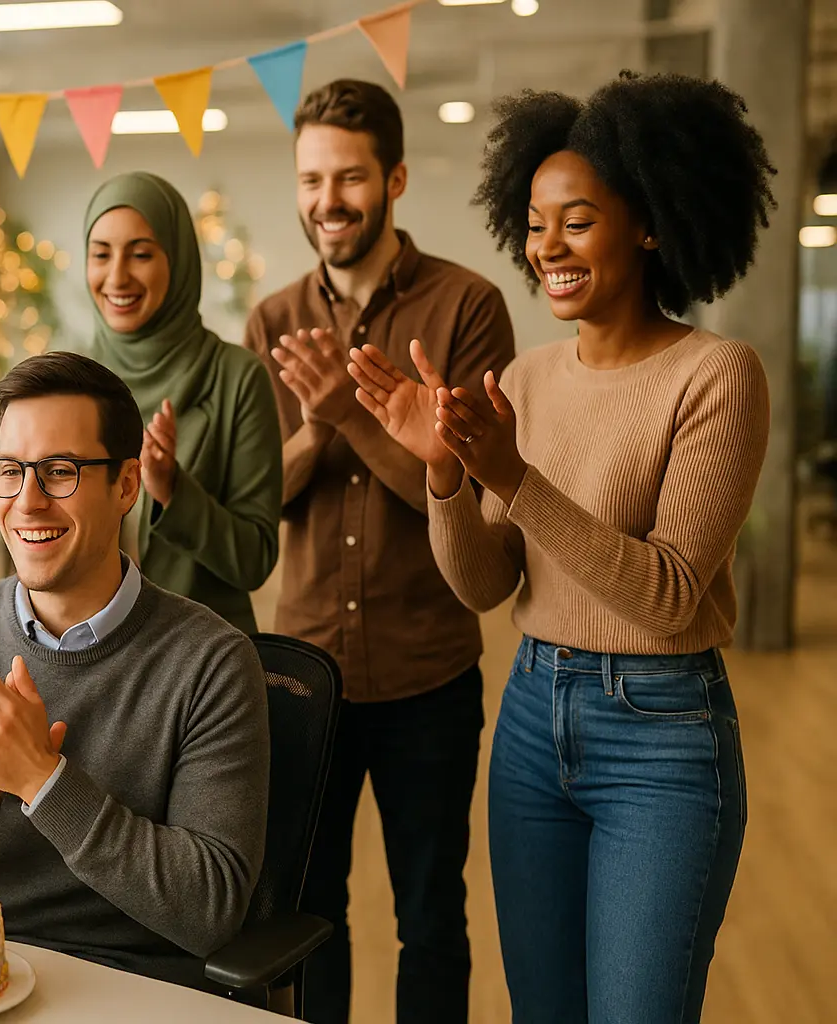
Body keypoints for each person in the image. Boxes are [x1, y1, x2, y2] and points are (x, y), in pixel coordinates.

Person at [349, 71, 772, 1023]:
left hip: (662, 736)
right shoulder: (529, 377)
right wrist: (448, 474)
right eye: (536, 224)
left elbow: (667, 594)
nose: (548, 248)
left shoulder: (716, 376)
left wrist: (512, 478)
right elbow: (485, 584)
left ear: (652, 224)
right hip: (535, 719)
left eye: (576, 221)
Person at [0, 351, 268, 989]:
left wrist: (41, 779)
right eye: (8, 472)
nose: (27, 502)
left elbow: (211, 909)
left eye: (59, 471)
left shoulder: (213, 663)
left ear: (126, 485)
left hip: (129, 987)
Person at [242, 80, 515, 1024]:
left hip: (428, 674)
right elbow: (260, 501)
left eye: (350, 177)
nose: (329, 200)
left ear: (393, 177)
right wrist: (326, 431)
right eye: (312, 179)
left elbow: (473, 501)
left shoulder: (467, 309)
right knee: (309, 915)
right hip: (305, 675)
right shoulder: (273, 322)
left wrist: (351, 417)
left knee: (431, 917)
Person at [86, 171, 282, 634]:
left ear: (177, 260)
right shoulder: (71, 380)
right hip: (80, 653)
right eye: (101, 254)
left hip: (202, 662)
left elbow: (254, 560)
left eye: (141, 254)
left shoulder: (236, 377)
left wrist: (173, 489)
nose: (117, 276)